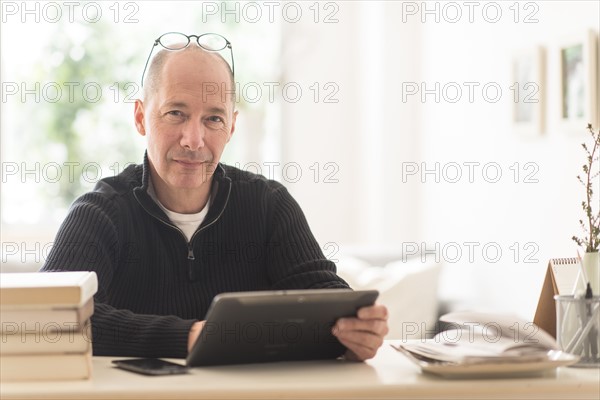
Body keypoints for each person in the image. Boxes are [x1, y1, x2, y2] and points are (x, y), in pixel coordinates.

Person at [42, 33, 388, 361]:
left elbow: (323, 297)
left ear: (232, 127)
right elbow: (51, 317)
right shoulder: (101, 212)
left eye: (213, 119)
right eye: (176, 113)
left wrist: (355, 332)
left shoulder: (268, 205)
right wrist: (190, 336)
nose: (194, 139)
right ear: (140, 117)